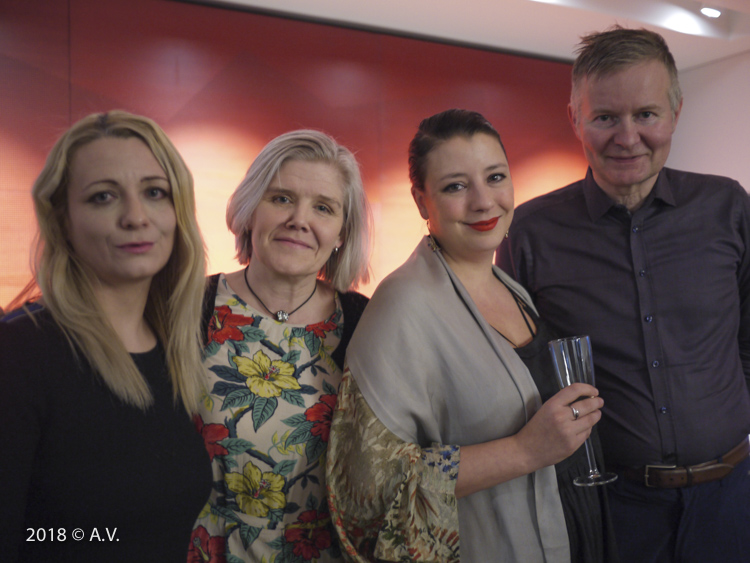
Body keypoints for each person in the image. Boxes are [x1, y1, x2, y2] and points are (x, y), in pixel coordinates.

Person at [497, 26, 750, 563]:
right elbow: (517, 376)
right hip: (612, 509)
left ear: (675, 113)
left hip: (734, 500)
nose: (627, 137)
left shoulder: (727, 207)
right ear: (575, 119)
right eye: (606, 117)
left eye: (646, 114)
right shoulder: (530, 233)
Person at [326, 109, 609, 563]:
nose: (483, 201)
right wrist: (523, 451)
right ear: (422, 202)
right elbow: (369, 488)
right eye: (455, 186)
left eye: (495, 177)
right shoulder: (402, 306)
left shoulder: (511, 287)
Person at [0, 110, 212, 562]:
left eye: (154, 192)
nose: (135, 217)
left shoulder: (174, 350)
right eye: (103, 197)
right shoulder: (20, 354)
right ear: (62, 220)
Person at [190, 130, 371, 562]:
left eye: (323, 207)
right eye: (282, 198)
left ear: (341, 233)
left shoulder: (365, 322)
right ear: (251, 209)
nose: (299, 219)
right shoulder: (189, 308)